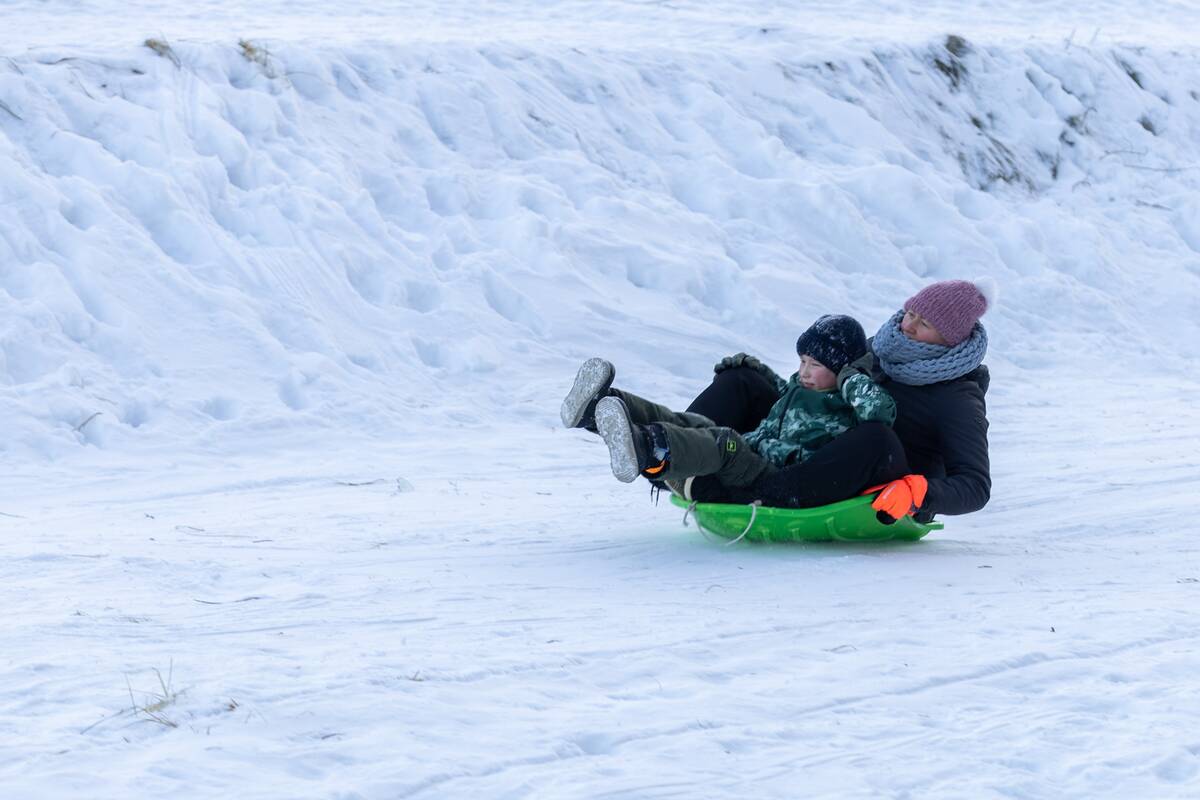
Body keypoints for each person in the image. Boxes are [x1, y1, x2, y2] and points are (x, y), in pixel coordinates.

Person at [680, 278, 994, 523]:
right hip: (813, 447)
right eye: (911, 313)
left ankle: (752, 493)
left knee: (876, 437)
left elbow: (975, 485)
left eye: (924, 324)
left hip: (874, 484)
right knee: (743, 380)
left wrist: (917, 493)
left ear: (949, 339)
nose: (907, 326)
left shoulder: (958, 398)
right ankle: (673, 447)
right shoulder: (880, 349)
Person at [560, 315, 897, 500]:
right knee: (693, 423)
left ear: (841, 370)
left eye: (815, 365)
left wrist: (851, 379)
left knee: (723, 443)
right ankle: (603, 408)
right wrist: (755, 369)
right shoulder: (803, 385)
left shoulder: (845, 400)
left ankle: (649, 447)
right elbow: (782, 396)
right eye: (802, 361)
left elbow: (879, 413)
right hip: (755, 448)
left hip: (773, 470)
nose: (804, 372)